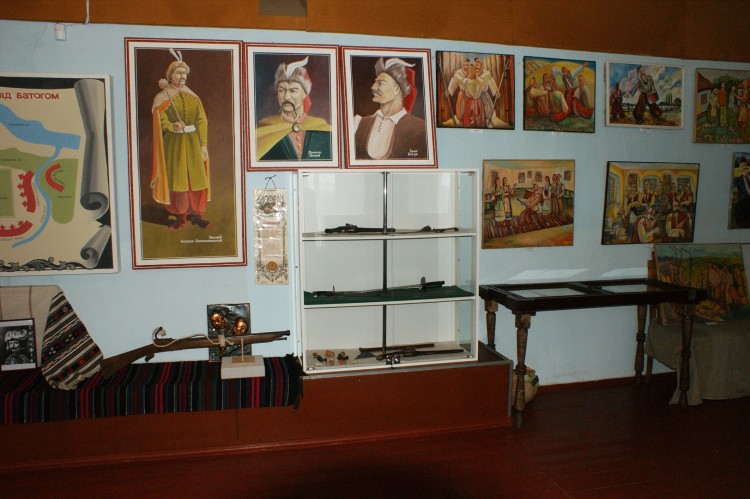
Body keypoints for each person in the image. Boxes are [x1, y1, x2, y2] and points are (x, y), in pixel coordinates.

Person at [151, 52, 211, 230]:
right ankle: (180, 215)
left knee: (196, 179)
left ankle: (196, 214)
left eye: (184, 73)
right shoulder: (163, 96)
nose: (182, 76)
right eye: (178, 73)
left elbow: (202, 121)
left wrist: (203, 145)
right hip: (174, 144)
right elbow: (159, 119)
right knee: (177, 180)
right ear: (171, 76)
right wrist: (172, 126)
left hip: (193, 143)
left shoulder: (193, 97)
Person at [255, 57, 332, 161]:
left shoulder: (324, 129)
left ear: (304, 94)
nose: (286, 97)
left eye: (293, 91)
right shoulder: (262, 131)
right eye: (281, 90)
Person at [353, 57, 427, 160]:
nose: (373, 87)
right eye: (375, 82)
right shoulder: (357, 123)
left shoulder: (421, 129)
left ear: (396, 89)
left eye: (380, 83)